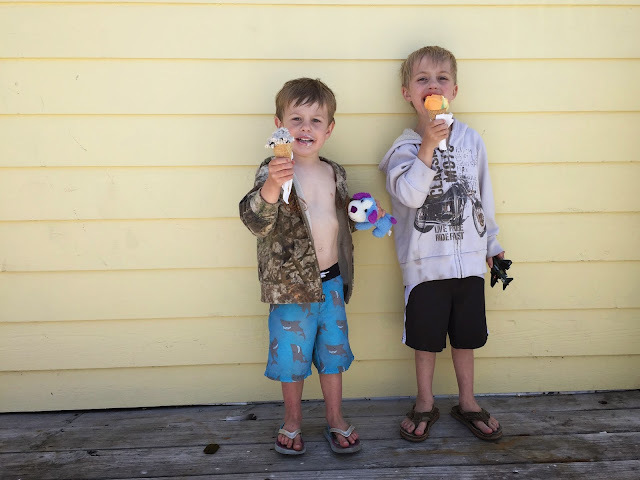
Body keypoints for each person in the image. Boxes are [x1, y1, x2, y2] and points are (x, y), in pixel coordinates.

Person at [378, 46, 505, 442]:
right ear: (407, 93)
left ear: (454, 90)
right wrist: (428, 146)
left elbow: (483, 195)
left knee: (466, 338)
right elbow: (410, 195)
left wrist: (492, 243)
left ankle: (467, 401)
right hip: (425, 265)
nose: (433, 86)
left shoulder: (471, 140)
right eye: (422, 79)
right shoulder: (402, 149)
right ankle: (424, 401)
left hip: (469, 262)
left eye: (442, 79)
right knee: (426, 341)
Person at [239, 78, 361, 455]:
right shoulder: (273, 170)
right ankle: (292, 421)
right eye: (296, 119)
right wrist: (272, 186)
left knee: (332, 356)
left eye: (315, 120)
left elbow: (341, 219)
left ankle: (335, 418)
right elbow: (255, 221)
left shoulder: (334, 172)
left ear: (329, 129)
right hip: (290, 288)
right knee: (291, 358)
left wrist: (366, 215)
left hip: (332, 283)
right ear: (279, 125)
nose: (305, 128)